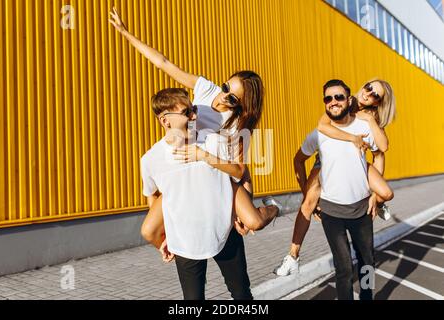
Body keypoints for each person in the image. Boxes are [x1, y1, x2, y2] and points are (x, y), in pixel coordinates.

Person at [109, 7, 282, 258]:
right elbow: (163, 62)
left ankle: (273, 208)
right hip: (184, 169)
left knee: (253, 222)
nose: (223, 97)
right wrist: (126, 34)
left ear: (242, 105)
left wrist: (242, 209)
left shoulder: (237, 125)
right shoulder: (205, 88)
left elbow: (241, 170)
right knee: (149, 230)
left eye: (232, 98)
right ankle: (170, 248)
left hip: (217, 174)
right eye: (225, 86)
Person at [274, 79, 396, 277]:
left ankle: (379, 204)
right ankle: (293, 256)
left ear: (378, 102)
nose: (368, 93)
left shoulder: (371, 117)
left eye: (375, 95)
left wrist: (373, 192)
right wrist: (353, 138)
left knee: (385, 193)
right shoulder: (345, 101)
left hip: (355, 162)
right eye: (368, 87)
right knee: (308, 203)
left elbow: (381, 151)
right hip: (329, 158)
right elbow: (322, 127)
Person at [141, 88, 254, 300]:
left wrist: (204, 156)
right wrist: (164, 235)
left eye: (193, 109)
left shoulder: (213, 142)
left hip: (224, 232)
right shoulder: (150, 159)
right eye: (186, 112)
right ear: (165, 121)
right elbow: (153, 196)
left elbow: (239, 173)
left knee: (241, 295)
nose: (194, 116)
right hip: (185, 241)